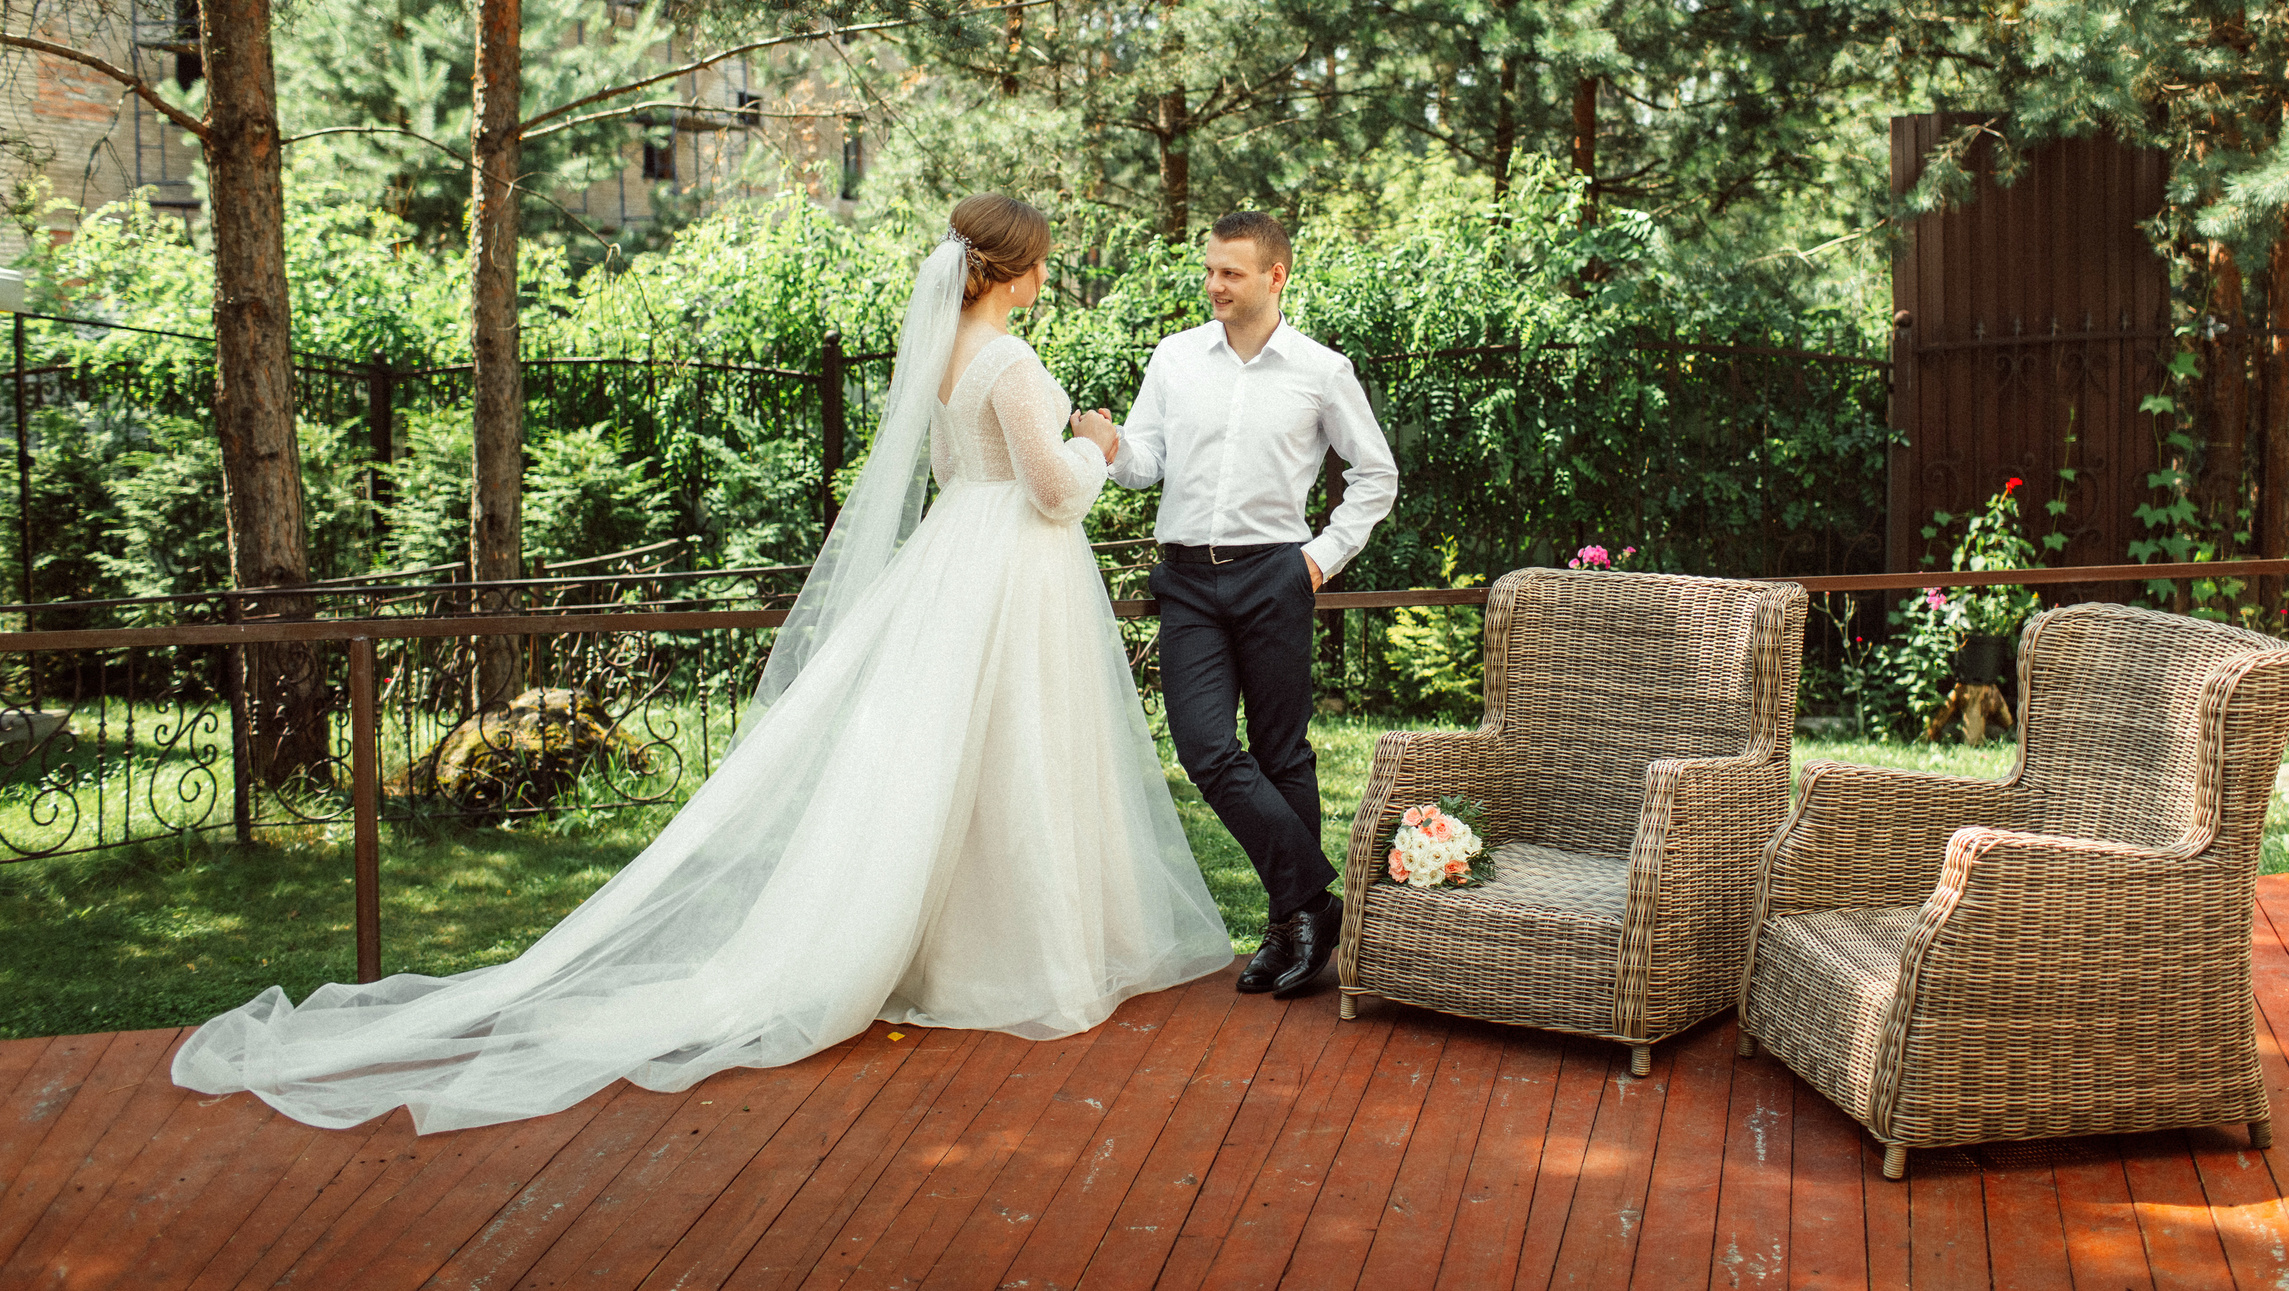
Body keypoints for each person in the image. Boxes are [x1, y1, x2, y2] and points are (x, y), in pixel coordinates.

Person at [169, 195, 1234, 1134]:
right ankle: (1021, 959)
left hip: (959, 564)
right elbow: (1050, 490)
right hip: (1011, 574)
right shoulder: (1009, 359)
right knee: (1016, 758)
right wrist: (1095, 440)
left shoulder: (947, 357)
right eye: (1043, 259)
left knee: (953, 766)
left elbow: (958, 470)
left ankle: (952, 948)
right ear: (1020, 271)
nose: (1048, 274)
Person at [1074, 211, 1398, 1000]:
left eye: (1232, 272)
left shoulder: (1321, 370)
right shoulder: (1176, 356)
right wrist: (1115, 447)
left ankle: (1287, 925)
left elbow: (1375, 475)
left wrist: (1318, 560)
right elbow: (1147, 464)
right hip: (1186, 577)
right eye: (1211, 269)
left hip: (1275, 575)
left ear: (1276, 276)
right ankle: (1319, 902)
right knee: (1206, 747)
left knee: (1283, 754)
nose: (1215, 284)